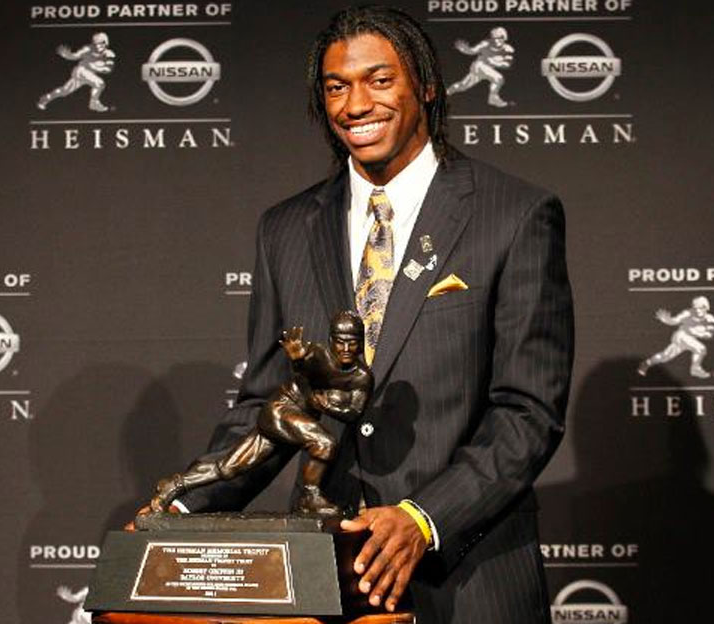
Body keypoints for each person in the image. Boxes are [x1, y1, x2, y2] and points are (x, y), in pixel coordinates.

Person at [150, 7, 573, 623]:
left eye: (379, 80)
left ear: (424, 86)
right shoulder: (286, 229)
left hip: (469, 578)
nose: (355, 105)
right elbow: (269, 404)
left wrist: (422, 520)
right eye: (336, 87)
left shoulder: (515, 214)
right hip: (326, 582)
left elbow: (528, 410)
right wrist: (181, 510)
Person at [147, 311, 373, 516]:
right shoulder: (317, 354)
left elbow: (353, 412)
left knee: (229, 467)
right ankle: (309, 496)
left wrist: (327, 406)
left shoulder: (361, 377)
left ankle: (174, 485)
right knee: (324, 443)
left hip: (294, 418)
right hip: (281, 408)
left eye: (352, 343)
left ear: (361, 343)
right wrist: (297, 359)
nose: (345, 350)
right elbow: (304, 369)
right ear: (332, 341)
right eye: (341, 343)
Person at [637, 296, 714, 379]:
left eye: (701, 308)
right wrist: (667, 320)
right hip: (681, 336)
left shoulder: (710, 319)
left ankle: (646, 363)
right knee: (701, 348)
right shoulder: (687, 313)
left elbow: (710, 335)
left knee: (665, 356)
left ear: (706, 307)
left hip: (689, 340)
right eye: (695, 308)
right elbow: (675, 321)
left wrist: (696, 333)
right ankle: (695, 369)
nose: (697, 310)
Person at [37, 32, 116, 112]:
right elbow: (75, 56)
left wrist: (95, 67)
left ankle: (46, 98)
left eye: (101, 43)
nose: (98, 46)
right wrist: (67, 55)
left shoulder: (109, 54)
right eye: (96, 43)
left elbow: (108, 69)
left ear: (106, 42)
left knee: (65, 90)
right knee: (100, 83)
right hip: (81, 71)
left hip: (89, 74)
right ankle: (93, 103)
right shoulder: (88, 48)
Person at [446, 27, 515, 107]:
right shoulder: (485, 43)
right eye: (494, 38)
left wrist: (495, 62)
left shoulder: (508, 49)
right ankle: (493, 98)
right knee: (498, 78)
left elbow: (507, 64)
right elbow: (472, 51)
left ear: (504, 37)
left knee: (463, 86)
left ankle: (447, 92)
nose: (497, 41)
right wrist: (464, 49)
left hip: (487, 70)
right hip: (479, 66)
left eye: (500, 38)